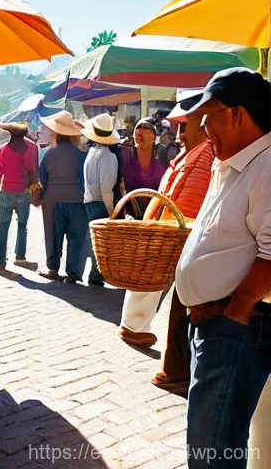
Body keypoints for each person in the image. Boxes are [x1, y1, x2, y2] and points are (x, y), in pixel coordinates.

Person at [173, 68, 271, 468]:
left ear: (237, 114)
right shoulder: (234, 160)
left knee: (213, 448)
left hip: (234, 328)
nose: (202, 125)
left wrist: (233, 316)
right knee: (210, 443)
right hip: (218, 325)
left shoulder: (266, 164)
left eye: (209, 115)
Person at [118, 91, 214, 353]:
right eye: (179, 125)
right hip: (165, 225)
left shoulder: (203, 154)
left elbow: (191, 197)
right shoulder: (191, 152)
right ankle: (134, 326)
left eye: (185, 125)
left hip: (173, 228)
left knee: (154, 280)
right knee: (148, 278)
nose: (180, 132)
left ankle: (136, 327)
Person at [37, 111, 87, 283]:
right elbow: (84, 178)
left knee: (53, 235)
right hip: (77, 200)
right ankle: (72, 274)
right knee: (75, 237)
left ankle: (53, 269)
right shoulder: (80, 154)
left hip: (53, 200)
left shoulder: (48, 153)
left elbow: (42, 178)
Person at [0, 122, 38, 271]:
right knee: (22, 225)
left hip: (6, 191)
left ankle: (0, 261)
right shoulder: (31, 147)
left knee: (3, 226)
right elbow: (33, 170)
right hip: (24, 191)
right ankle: (20, 257)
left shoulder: (2, 149)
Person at [81, 113, 121, 286]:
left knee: (94, 241)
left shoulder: (92, 152)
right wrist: (112, 211)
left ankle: (94, 273)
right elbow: (106, 188)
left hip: (89, 202)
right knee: (102, 243)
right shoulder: (108, 157)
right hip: (100, 204)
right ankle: (96, 274)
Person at [122, 118, 166, 216]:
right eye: (138, 128)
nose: (140, 132)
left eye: (146, 129)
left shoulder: (159, 167)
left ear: (154, 137)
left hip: (153, 218)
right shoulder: (127, 164)